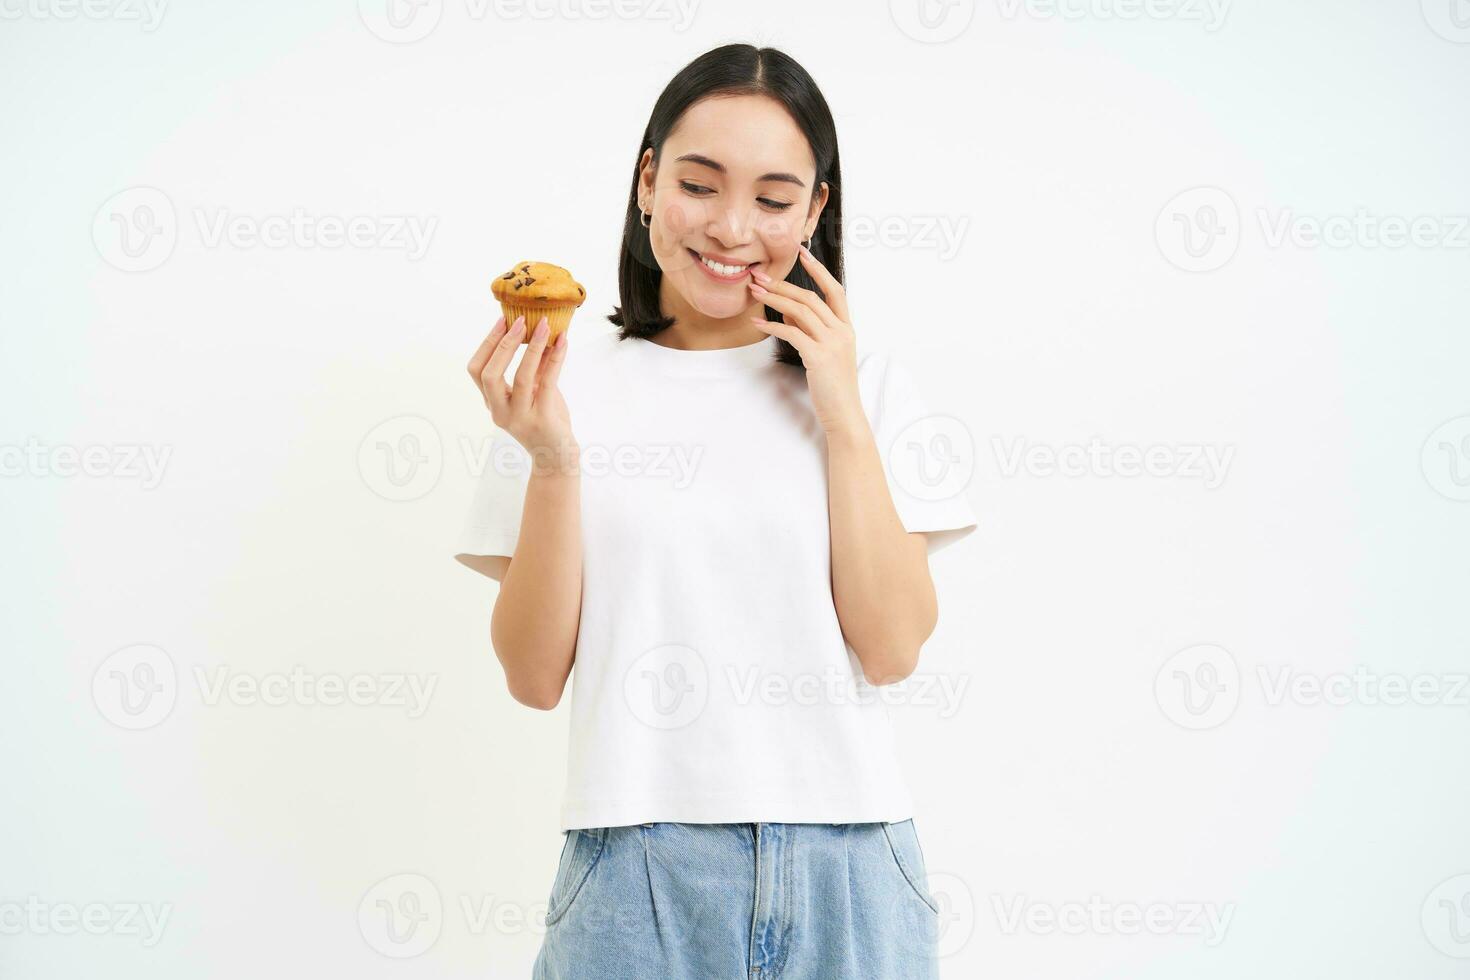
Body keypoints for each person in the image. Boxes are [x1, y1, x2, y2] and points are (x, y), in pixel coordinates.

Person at [455, 42, 977, 980]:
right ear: (648, 181)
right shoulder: (557, 389)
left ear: (816, 212)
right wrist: (553, 462)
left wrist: (841, 414)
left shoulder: (870, 392)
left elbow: (893, 647)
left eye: (775, 200)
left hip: (850, 866)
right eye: (700, 184)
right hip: (633, 870)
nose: (733, 228)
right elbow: (534, 678)